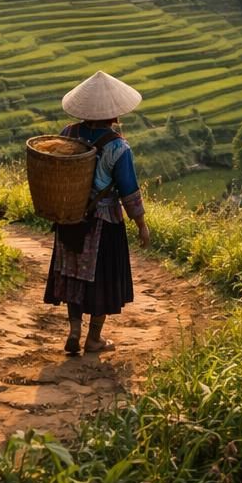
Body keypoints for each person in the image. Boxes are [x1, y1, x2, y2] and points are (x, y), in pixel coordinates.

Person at [44, 71, 151, 356]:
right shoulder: (118, 147)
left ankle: (74, 330)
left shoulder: (68, 134)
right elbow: (129, 190)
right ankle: (93, 338)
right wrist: (141, 224)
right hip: (104, 222)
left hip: (70, 218)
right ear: (114, 112)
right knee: (102, 280)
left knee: (73, 275)